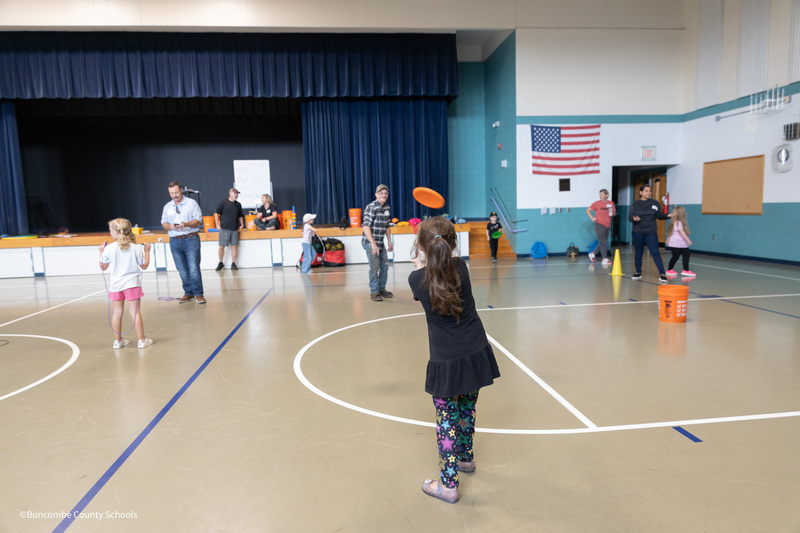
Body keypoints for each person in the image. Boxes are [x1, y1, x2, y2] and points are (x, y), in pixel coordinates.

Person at [408, 216, 501, 505]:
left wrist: (420, 268)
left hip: (446, 360)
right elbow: (445, 272)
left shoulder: (416, 280)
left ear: (422, 247)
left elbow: (426, 286)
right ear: (453, 243)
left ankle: (448, 485)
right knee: (467, 409)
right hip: (475, 352)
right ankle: (466, 458)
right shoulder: (462, 267)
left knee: (446, 420)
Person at [99, 218, 154, 349]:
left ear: (117, 231)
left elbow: (103, 266)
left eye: (110, 230)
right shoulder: (135, 248)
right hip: (132, 284)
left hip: (116, 285)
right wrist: (147, 251)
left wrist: (101, 251)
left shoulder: (109, 249)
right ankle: (141, 340)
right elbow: (144, 265)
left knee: (117, 312)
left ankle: (118, 341)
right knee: (135, 312)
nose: (110, 233)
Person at [161, 181, 206, 304]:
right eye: (171, 193)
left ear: (181, 190)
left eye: (176, 192)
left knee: (193, 268)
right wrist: (170, 226)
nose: (174, 195)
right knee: (182, 269)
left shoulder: (191, 204)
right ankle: (189, 293)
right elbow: (163, 223)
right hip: (174, 241)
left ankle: (199, 294)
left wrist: (185, 224)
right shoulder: (167, 207)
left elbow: (198, 220)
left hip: (190, 239)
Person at [628, 184, 672, 283]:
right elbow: (630, 217)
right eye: (646, 191)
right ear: (641, 192)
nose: (648, 193)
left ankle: (662, 274)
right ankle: (638, 272)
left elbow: (659, 216)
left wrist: (668, 215)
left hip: (651, 232)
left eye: (650, 191)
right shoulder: (635, 204)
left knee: (655, 251)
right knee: (639, 252)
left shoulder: (655, 203)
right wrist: (634, 219)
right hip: (638, 231)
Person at [361, 184, 394, 301]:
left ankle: (381, 289)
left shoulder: (387, 207)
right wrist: (373, 244)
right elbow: (366, 226)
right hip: (370, 243)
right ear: (376, 195)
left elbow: (387, 225)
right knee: (375, 268)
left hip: (380, 242)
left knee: (385, 266)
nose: (383, 195)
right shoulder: (371, 207)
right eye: (381, 193)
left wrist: (389, 241)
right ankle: (374, 292)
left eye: (385, 193)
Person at [214, 187, 245, 271]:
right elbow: (216, 213)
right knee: (221, 247)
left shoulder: (238, 204)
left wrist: (242, 224)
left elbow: (240, 216)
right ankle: (220, 263)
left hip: (234, 229)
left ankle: (233, 263)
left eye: (237, 193)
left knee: (234, 247)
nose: (236, 195)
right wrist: (217, 224)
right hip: (224, 228)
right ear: (230, 193)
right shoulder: (223, 202)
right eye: (234, 193)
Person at [586, 188, 616, 264]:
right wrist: (592, 218)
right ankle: (604, 259)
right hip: (599, 224)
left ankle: (592, 254)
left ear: (606, 195)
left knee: (603, 242)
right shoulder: (597, 203)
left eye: (602, 194)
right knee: (603, 242)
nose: (601, 196)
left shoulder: (611, 203)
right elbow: (588, 210)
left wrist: (611, 211)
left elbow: (614, 214)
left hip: (608, 225)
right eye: (600, 194)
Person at [665, 205, 695, 277]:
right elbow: (681, 232)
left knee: (685, 255)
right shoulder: (678, 222)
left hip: (679, 243)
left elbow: (670, 231)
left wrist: (668, 239)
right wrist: (688, 240)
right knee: (676, 256)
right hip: (677, 243)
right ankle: (670, 269)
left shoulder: (675, 222)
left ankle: (685, 270)